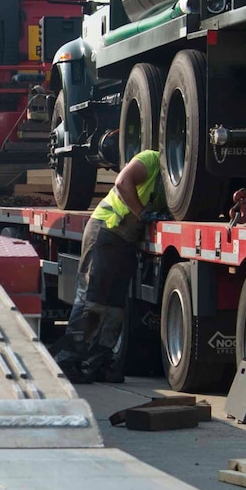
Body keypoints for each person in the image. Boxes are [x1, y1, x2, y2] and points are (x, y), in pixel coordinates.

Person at [53, 148, 161, 384]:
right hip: (106, 230)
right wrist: (142, 212)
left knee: (114, 306)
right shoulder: (151, 159)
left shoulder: (172, 182)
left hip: (125, 239)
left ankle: (97, 363)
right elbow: (123, 182)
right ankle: (68, 360)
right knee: (93, 300)